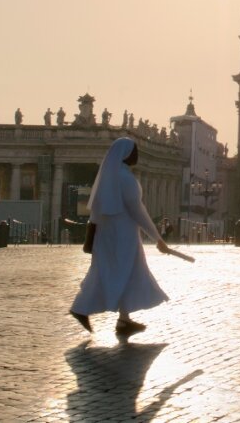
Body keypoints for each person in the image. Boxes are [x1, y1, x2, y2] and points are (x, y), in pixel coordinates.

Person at [70, 138, 172, 336]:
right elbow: (138, 210)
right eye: (134, 152)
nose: (137, 156)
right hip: (124, 235)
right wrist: (157, 237)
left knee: (116, 271)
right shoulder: (126, 179)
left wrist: (91, 235)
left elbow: (96, 212)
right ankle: (80, 308)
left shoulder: (109, 177)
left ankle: (124, 320)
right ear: (125, 154)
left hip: (107, 233)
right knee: (119, 271)